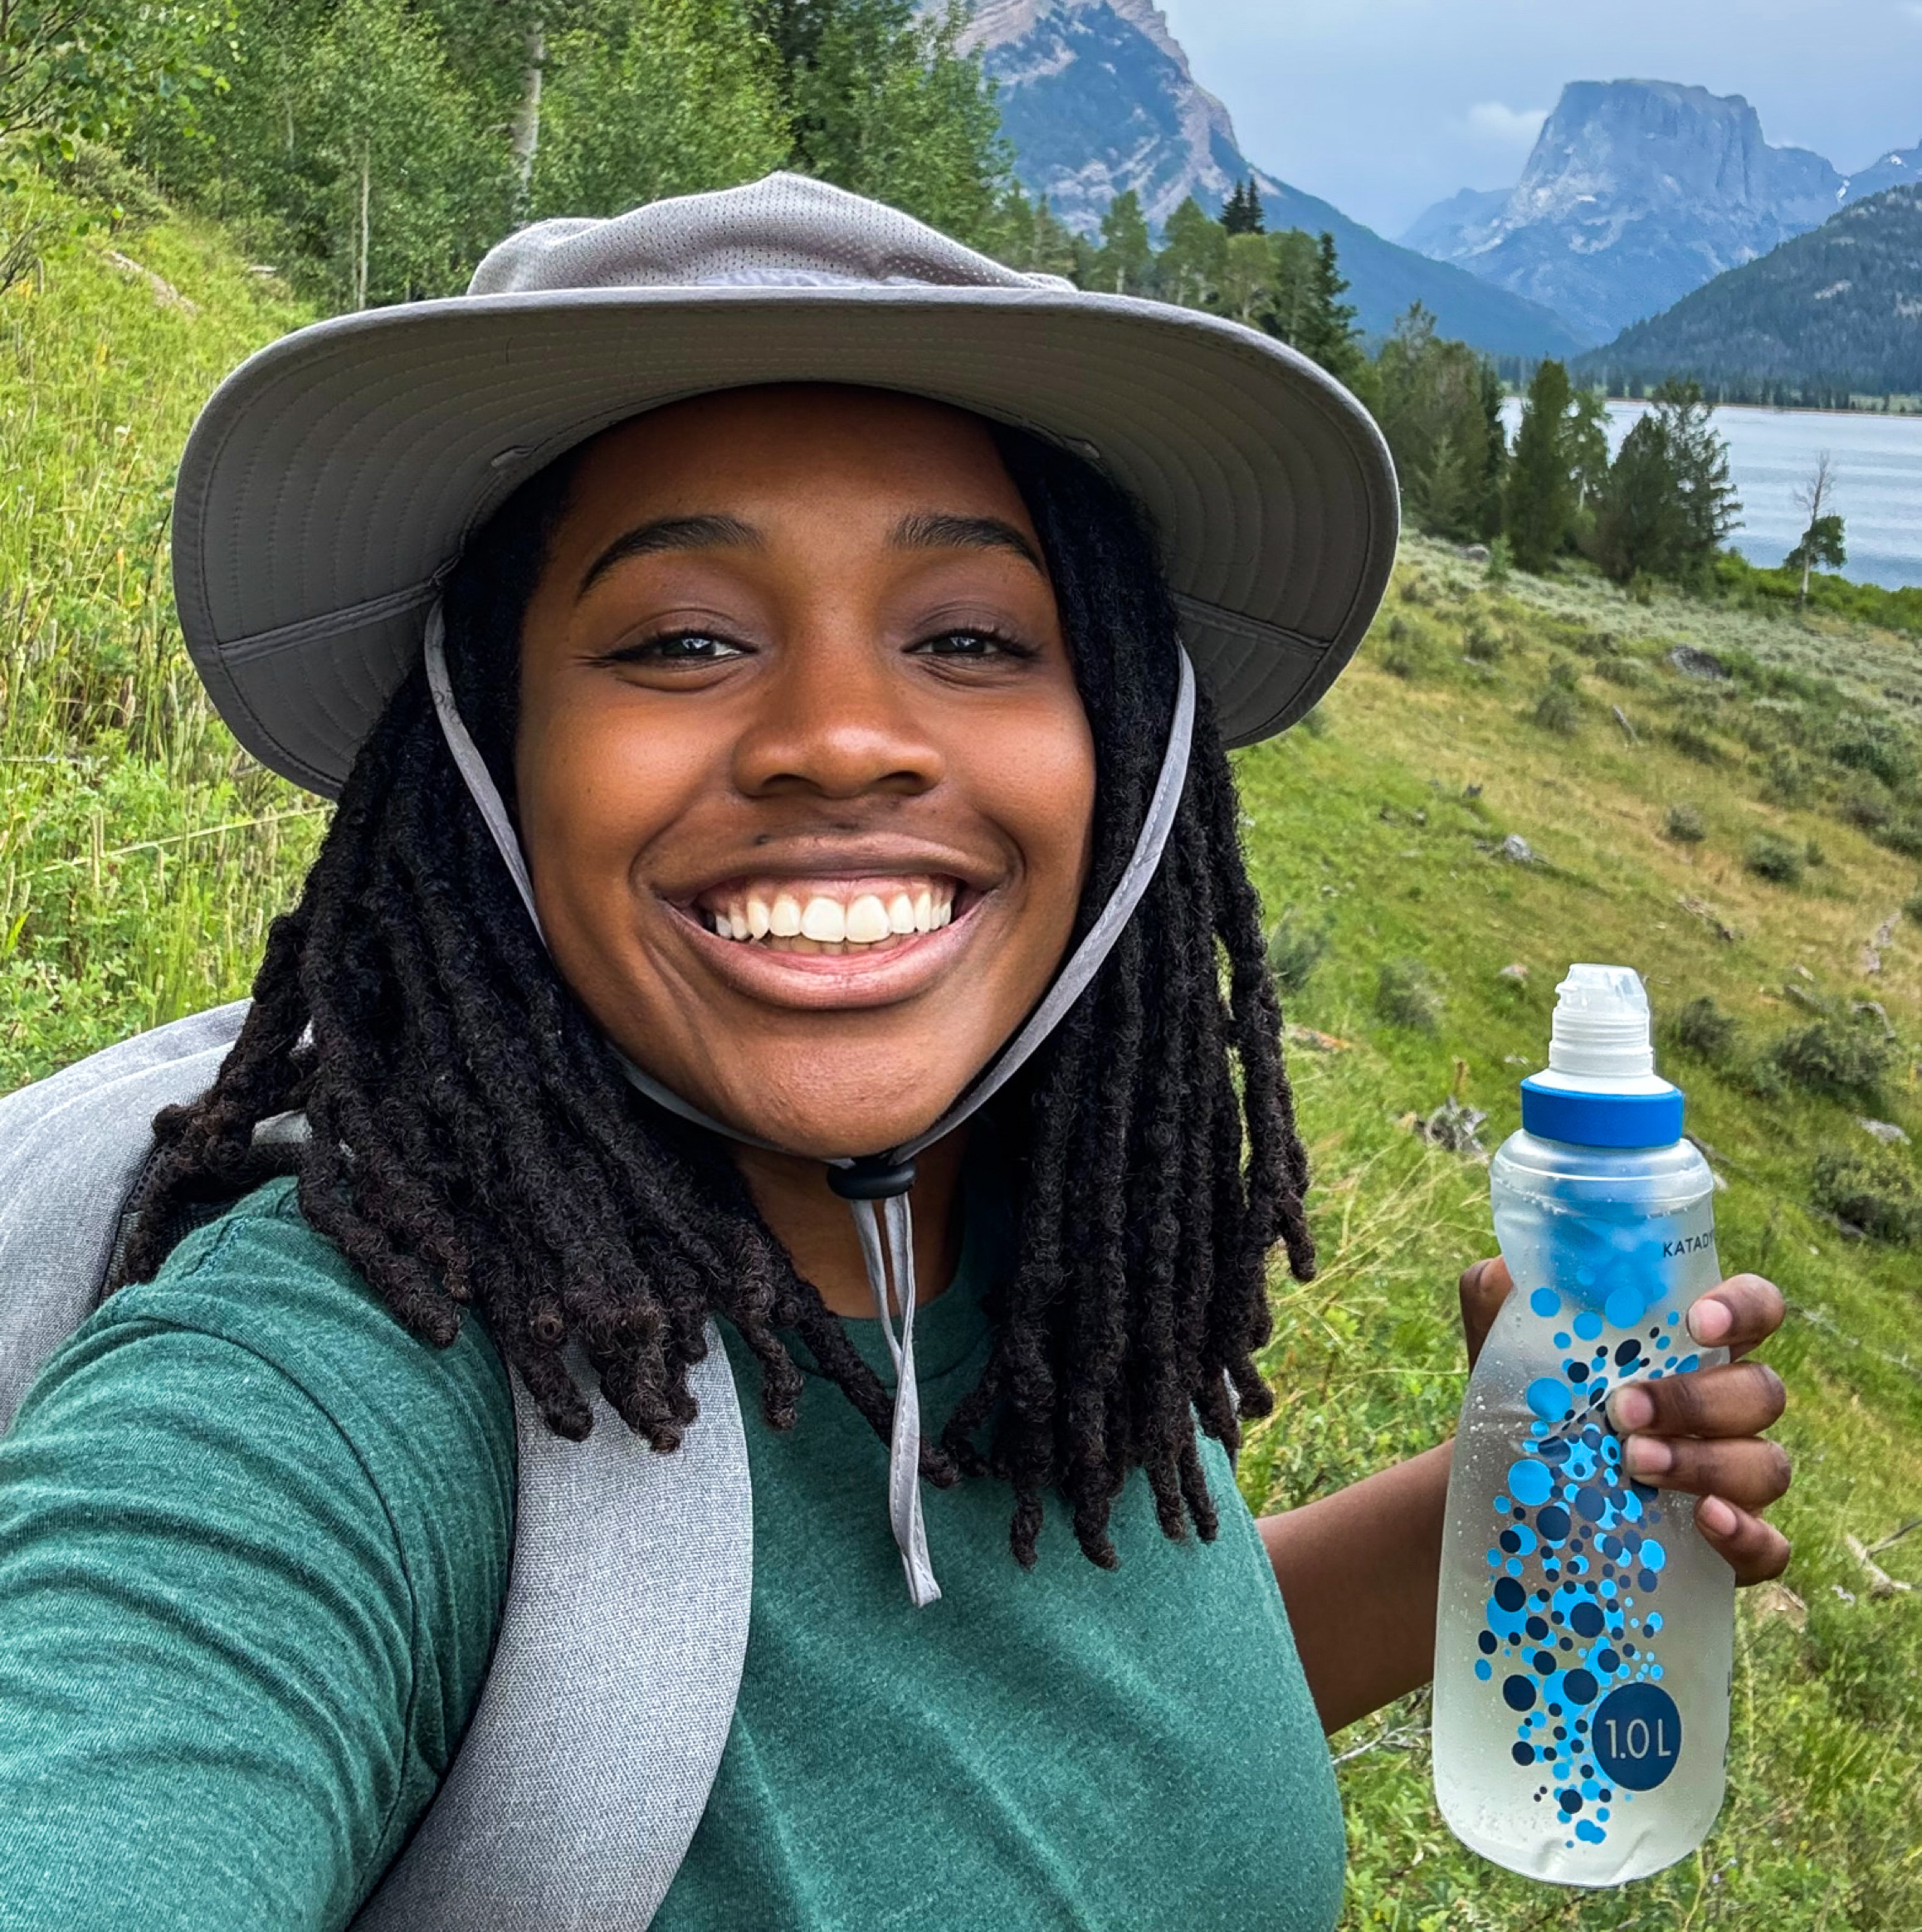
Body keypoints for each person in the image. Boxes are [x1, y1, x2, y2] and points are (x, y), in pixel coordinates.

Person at [0, 176, 1789, 1930]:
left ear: (1120, 743)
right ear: (488, 759)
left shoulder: (1045, 1253)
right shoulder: (314, 1412)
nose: (845, 738)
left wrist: (1520, 1496)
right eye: (685, 636)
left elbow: (1076, 1735)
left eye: (969, 638)